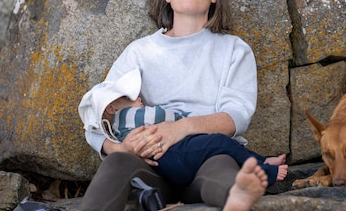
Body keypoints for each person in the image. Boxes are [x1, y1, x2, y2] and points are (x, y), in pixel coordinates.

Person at [61, 0, 282, 211]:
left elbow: (237, 115)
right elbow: (96, 116)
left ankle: (235, 197)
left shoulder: (233, 50)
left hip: (206, 155)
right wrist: (120, 148)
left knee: (221, 163)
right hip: (152, 169)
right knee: (118, 164)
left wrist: (181, 128)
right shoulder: (139, 52)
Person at [78, 67, 288, 187]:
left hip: (164, 164)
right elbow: (163, 115)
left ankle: (257, 165)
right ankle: (264, 169)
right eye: (130, 97)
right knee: (220, 142)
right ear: (113, 108)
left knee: (220, 154)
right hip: (174, 155)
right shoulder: (131, 115)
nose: (138, 97)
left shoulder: (118, 127)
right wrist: (186, 120)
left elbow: (91, 130)